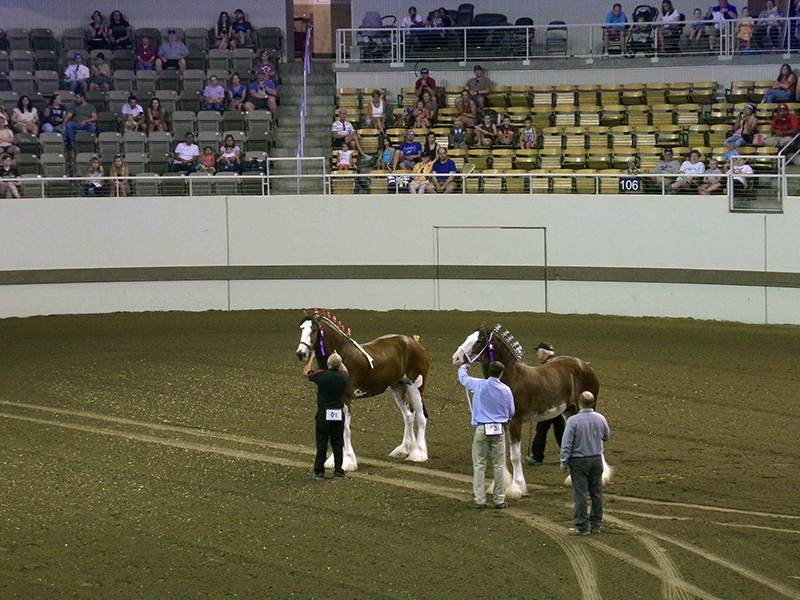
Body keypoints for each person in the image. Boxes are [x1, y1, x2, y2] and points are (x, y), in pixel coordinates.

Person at [457, 360, 515, 509]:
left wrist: (463, 367)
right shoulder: (506, 390)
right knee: (499, 465)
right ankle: (499, 499)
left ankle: (480, 500)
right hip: (499, 429)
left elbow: (463, 378)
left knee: (479, 465)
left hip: (482, 429)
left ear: (489, 372)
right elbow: (511, 412)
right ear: (501, 374)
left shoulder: (479, 384)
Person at [560, 391, 610, 535]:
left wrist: (564, 461)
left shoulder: (573, 421)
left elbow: (567, 444)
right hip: (596, 459)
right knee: (596, 493)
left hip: (579, 461)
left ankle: (582, 526)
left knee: (580, 494)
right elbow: (607, 436)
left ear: (579, 403)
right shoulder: (600, 418)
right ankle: (596, 524)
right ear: (593, 404)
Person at [304, 351, 349, 481]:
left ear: (328, 364)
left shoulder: (321, 376)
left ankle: (319, 472)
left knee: (322, 443)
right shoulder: (343, 377)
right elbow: (345, 370)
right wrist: (339, 359)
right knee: (337, 443)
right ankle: (338, 471)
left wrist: (311, 358)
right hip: (338, 414)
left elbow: (306, 372)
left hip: (324, 413)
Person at [527, 343, 566, 466]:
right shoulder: (556, 364)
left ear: (543, 352)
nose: (537, 354)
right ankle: (567, 455)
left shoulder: (547, 367)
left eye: (538, 351)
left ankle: (537, 457)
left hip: (548, 404)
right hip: (558, 404)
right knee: (560, 430)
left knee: (542, 429)